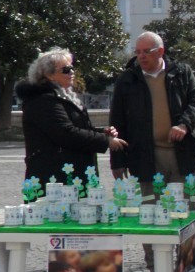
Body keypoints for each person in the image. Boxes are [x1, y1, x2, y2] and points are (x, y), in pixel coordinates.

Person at [109, 31, 195, 272]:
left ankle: (187, 268)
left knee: (185, 212)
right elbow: (116, 121)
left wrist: (185, 124)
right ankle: (157, 271)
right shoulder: (127, 80)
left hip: (182, 156)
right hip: (145, 158)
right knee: (150, 215)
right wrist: (118, 161)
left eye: (146, 52)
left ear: (160, 51)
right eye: (138, 52)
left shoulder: (181, 73)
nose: (141, 56)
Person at [15, 48, 127, 187]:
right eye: (66, 69)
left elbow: (77, 128)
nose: (72, 72)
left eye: (72, 68)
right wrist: (105, 140)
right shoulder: (43, 100)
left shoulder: (62, 96)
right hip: (55, 178)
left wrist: (102, 132)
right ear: (49, 75)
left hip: (71, 173)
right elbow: (65, 133)